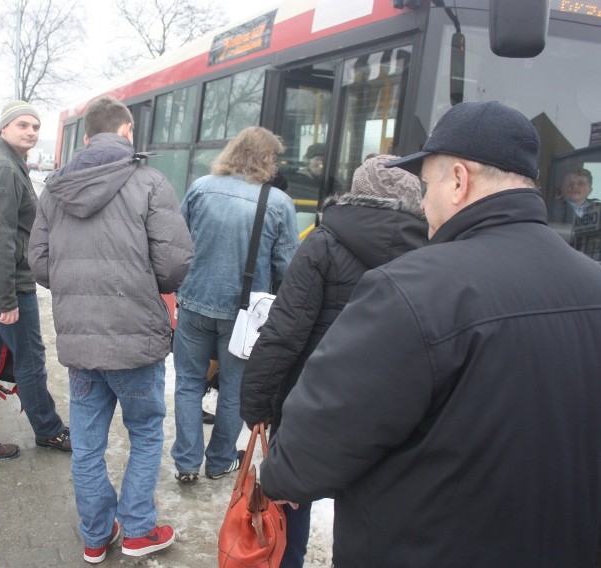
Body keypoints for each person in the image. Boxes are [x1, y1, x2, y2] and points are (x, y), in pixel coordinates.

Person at [260, 101, 601, 566]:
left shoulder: (410, 289)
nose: (422, 203)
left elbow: (301, 463)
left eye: (427, 185)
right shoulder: (592, 282)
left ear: (458, 181)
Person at [240, 154, 428, 567]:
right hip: (395, 407)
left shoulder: (324, 241)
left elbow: (285, 331)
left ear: (358, 191)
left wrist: (256, 402)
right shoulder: (432, 248)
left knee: (292, 499)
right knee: (371, 505)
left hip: (314, 400)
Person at [29, 96, 193, 564]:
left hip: (80, 341)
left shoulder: (55, 190)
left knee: (86, 444)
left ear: (85, 140)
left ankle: (96, 535)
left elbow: (39, 262)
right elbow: (175, 262)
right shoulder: (150, 182)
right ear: (127, 132)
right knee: (143, 433)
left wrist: (75, 284)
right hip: (137, 337)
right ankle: (140, 530)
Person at [171, 126, 299, 483]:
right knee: (233, 390)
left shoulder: (200, 188)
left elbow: (179, 244)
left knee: (187, 384)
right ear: (267, 160)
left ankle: (185, 462)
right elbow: (288, 268)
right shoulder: (277, 203)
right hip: (244, 314)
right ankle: (219, 462)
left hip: (194, 303)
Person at [0, 100, 70, 462]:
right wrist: (6, 300)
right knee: (30, 359)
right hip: (3, 285)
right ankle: (49, 431)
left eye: (35, 127)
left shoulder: (6, 162)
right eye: (23, 125)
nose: (31, 132)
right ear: (4, 129)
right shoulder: (4, 168)